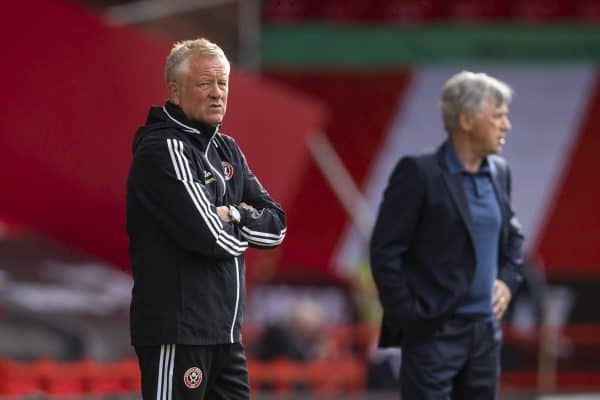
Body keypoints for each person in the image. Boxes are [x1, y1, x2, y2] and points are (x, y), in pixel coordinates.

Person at [126, 38, 286, 400]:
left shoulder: (228, 148)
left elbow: (277, 225)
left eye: (223, 83)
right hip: (179, 334)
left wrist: (231, 213)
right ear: (176, 92)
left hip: (226, 337)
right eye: (205, 84)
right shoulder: (164, 148)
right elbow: (214, 238)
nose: (217, 94)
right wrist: (243, 221)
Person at [370, 71, 524, 399]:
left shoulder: (500, 173)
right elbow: (385, 252)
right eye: (497, 116)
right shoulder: (419, 172)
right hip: (433, 333)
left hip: (485, 334)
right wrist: (411, 318)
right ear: (466, 120)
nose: (506, 126)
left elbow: (514, 241)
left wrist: (508, 281)